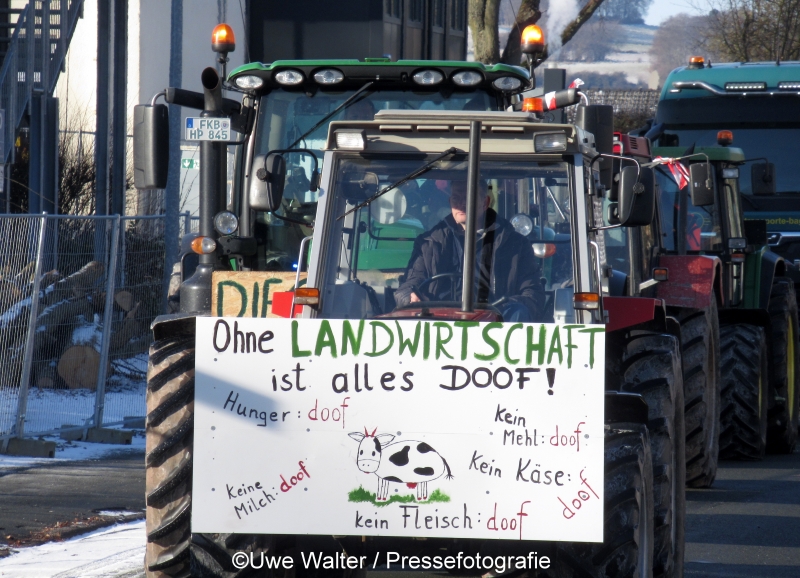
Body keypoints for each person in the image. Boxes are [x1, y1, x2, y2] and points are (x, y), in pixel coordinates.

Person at [395, 180, 544, 322]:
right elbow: (410, 283)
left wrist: (504, 307)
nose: (461, 203)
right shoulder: (428, 243)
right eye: (456, 198)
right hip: (438, 321)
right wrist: (409, 296)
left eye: (468, 197)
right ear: (450, 203)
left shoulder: (516, 245)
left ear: (485, 202)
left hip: (495, 321)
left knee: (518, 311)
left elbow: (532, 294)